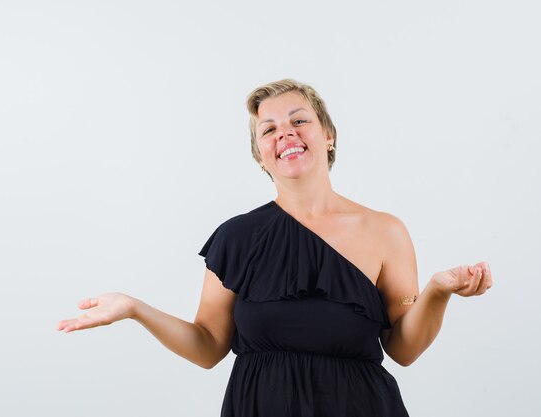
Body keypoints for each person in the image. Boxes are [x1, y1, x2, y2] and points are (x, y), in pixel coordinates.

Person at [57, 79, 493, 416]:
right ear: (260, 156)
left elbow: (404, 350)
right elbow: (208, 346)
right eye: (269, 129)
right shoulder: (237, 236)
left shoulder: (385, 231)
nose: (286, 134)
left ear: (328, 136)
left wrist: (438, 290)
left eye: (299, 120)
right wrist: (135, 308)